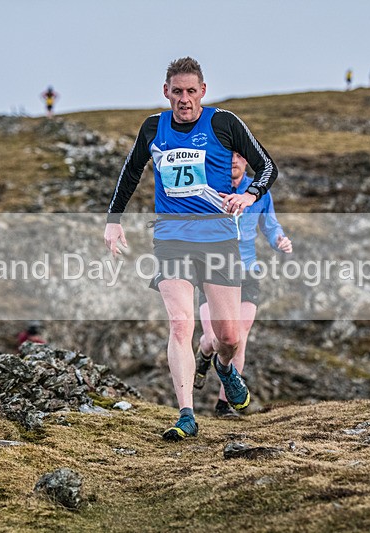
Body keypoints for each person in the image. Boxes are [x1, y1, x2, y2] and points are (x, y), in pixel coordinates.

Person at [104, 57, 278, 441]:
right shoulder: (154, 128)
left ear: (203, 91)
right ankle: (185, 414)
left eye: (190, 91)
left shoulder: (224, 123)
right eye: (177, 91)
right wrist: (113, 220)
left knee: (229, 338)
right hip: (171, 239)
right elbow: (131, 171)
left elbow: (267, 166)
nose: (184, 99)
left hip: (219, 240)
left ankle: (225, 369)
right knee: (181, 323)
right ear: (166, 92)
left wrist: (249, 196)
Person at [193, 151, 292, 417]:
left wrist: (280, 240)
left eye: (239, 156)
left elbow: (270, 226)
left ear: (246, 160)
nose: (234, 160)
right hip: (214, 270)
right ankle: (203, 357)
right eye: (228, 156)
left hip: (247, 271)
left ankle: (224, 404)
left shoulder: (257, 191)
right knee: (214, 339)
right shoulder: (210, 188)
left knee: (240, 337)